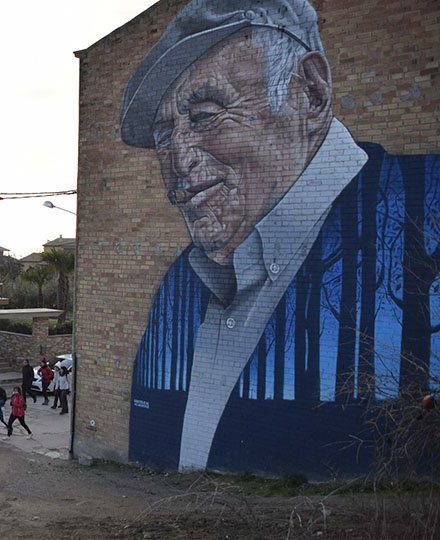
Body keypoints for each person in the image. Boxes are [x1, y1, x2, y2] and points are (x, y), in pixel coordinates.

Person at [117, 0, 440, 474]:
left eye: (205, 115)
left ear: (309, 93)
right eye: (165, 133)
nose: (178, 162)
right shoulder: (179, 288)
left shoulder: (425, 218)